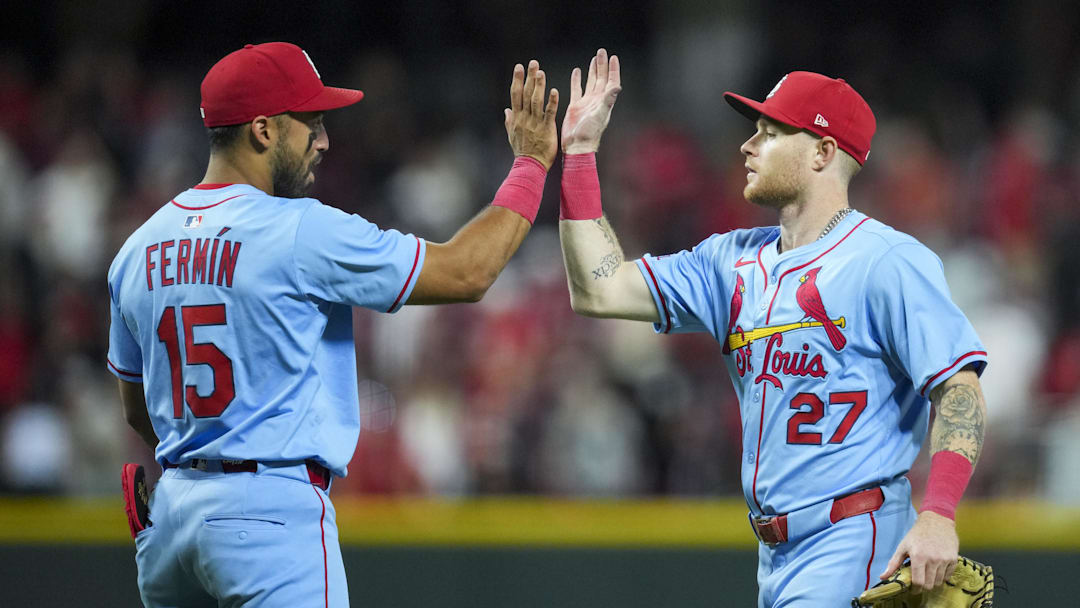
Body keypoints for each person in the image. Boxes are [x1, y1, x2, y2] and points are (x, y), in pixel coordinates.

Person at [106, 42, 559, 607]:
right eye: (311, 123)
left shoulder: (137, 247)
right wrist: (532, 163)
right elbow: (467, 272)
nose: (324, 141)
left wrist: (203, 465)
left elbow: (135, 408)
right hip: (271, 514)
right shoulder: (298, 229)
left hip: (172, 521)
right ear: (264, 130)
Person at [557, 49, 988, 607]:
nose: (747, 144)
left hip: (856, 538)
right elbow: (600, 287)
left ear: (823, 152)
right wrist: (581, 153)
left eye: (770, 131)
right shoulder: (729, 261)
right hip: (775, 555)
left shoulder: (886, 261)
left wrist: (939, 515)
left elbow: (960, 388)